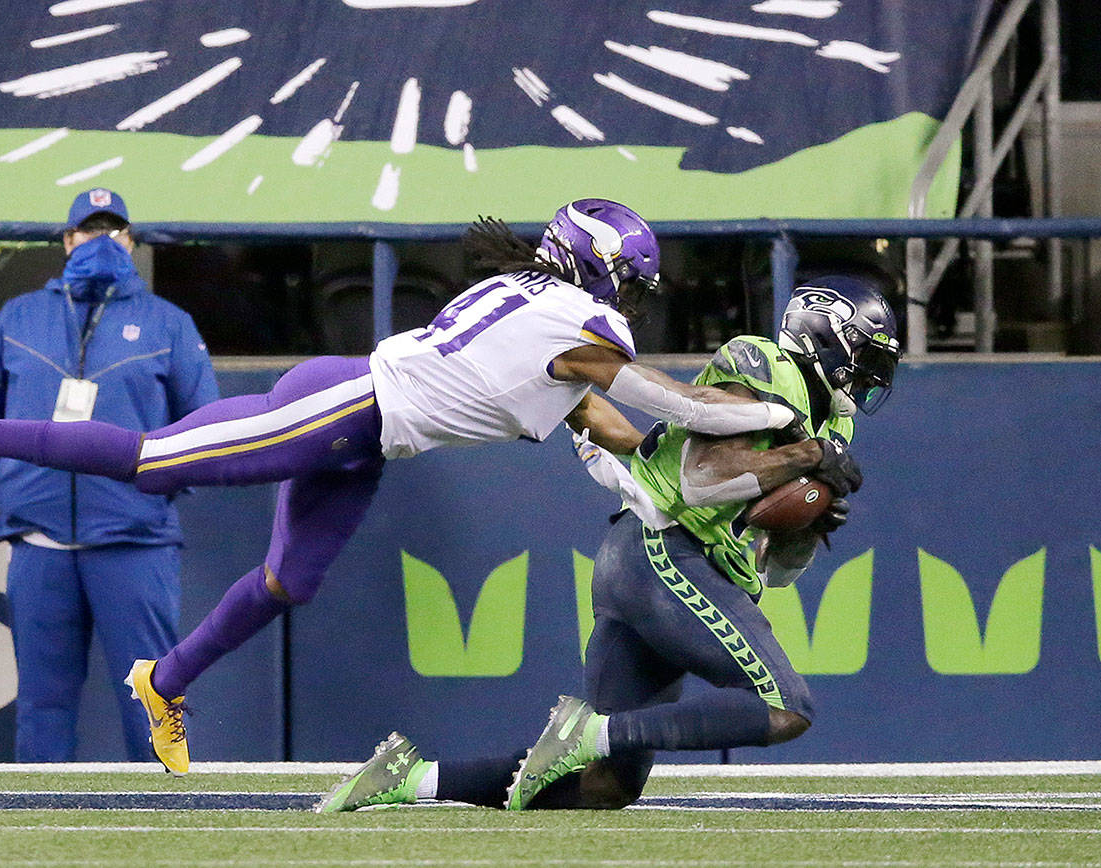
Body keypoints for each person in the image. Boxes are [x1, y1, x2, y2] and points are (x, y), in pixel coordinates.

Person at [0, 198, 802, 775]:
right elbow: (669, 402)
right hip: (342, 408)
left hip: (363, 433)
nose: (632, 302)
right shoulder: (573, 320)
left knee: (289, 581)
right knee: (150, 460)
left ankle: (162, 683)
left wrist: (690, 479)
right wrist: (778, 435)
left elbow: (611, 427)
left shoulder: (545, 313)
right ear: (597, 272)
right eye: (629, 283)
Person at [314, 274, 901, 812]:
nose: (872, 374)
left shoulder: (836, 424)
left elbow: (777, 572)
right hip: (667, 552)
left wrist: (812, 522)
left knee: (599, 786)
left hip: (665, 566)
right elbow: (700, 483)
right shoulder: (767, 364)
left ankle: (409, 779)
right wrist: (804, 457)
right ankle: (585, 731)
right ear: (827, 333)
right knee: (785, 706)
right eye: (868, 355)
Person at [0, 188, 219, 762]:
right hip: (38, 541)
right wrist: (6, 475)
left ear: (131, 239)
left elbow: (206, 427)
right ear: (66, 241)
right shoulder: (19, 316)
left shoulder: (168, 324)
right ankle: (37, 836)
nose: (100, 240)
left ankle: (172, 831)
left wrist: (156, 484)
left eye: (112, 230)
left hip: (134, 543)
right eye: (88, 230)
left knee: (154, 704)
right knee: (41, 706)